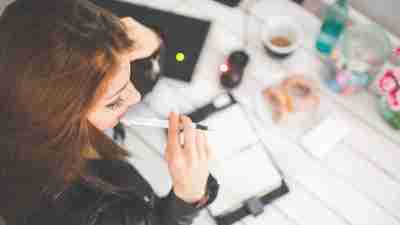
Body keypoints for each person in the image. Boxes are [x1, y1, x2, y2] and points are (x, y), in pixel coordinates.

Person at [0, 0, 219, 224]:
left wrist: (154, 42)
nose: (136, 97)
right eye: (114, 102)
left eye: (129, 68)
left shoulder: (54, 77)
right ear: (62, 119)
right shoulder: (78, 213)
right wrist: (188, 199)